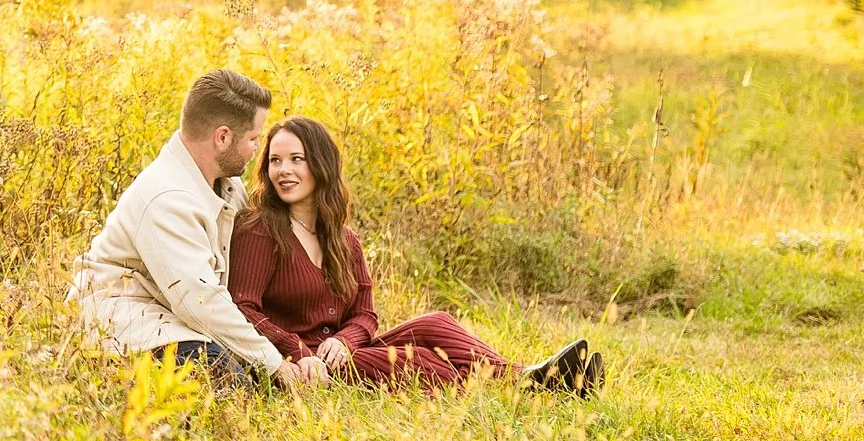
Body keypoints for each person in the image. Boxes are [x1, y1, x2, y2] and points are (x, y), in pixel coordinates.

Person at [229, 115, 602, 395]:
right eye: (275, 161)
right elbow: (243, 307)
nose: (284, 171)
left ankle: (531, 377)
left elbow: (364, 313)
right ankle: (526, 388)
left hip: (347, 353)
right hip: (309, 367)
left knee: (436, 323)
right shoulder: (260, 229)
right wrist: (295, 349)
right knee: (419, 361)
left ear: (321, 166)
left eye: (296, 159)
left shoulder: (345, 239)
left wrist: (344, 341)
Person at [69, 68, 326, 390]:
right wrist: (276, 364)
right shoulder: (167, 198)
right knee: (227, 383)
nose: (257, 149)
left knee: (247, 375)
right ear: (222, 137)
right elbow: (198, 299)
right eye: (253, 139)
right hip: (130, 323)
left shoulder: (228, 186)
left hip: (181, 319)